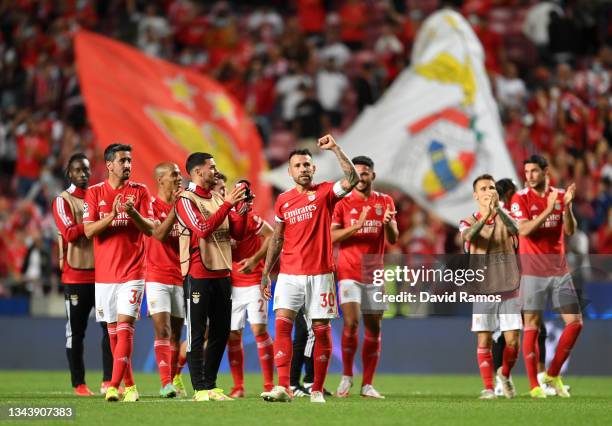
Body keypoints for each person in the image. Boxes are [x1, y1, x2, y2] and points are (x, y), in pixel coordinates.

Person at [260, 134, 359, 403]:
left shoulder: (326, 192)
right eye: (298, 166)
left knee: (320, 330)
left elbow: (352, 180)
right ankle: (284, 387)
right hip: (289, 274)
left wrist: (336, 149)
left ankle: (316, 388)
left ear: (313, 169)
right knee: (281, 326)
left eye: (307, 165)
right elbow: (277, 237)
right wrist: (267, 272)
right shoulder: (283, 200)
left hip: (320, 274)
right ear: (290, 171)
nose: (303, 169)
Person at [83, 143, 155, 402]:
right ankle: (131, 386)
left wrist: (132, 212)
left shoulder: (140, 192)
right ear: (109, 165)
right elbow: (89, 231)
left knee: (125, 328)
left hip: (133, 273)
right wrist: (112, 215)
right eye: (122, 161)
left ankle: (113, 386)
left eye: (129, 161)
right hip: (104, 277)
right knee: (113, 332)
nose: (127, 165)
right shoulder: (94, 193)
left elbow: (151, 229)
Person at [174, 152, 247, 402]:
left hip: (223, 272)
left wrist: (242, 209)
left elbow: (237, 232)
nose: (216, 171)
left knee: (221, 331)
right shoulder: (185, 199)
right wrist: (228, 204)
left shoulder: (216, 197)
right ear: (197, 172)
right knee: (197, 332)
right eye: (212, 167)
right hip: (198, 273)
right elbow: (202, 230)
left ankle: (211, 385)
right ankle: (199, 388)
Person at [510, 155, 583, 398]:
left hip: (559, 270)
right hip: (531, 271)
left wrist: (567, 208)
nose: (529, 176)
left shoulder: (561, 196)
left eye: (533, 171)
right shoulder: (520, 197)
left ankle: (552, 374)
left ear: (545, 172)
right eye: (526, 171)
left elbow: (570, 230)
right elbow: (523, 230)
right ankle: (534, 386)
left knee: (575, 322)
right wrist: (550, 209)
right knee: (531, 325)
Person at [332, 155, 398, 399]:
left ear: (373, 175)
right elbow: (331, 237)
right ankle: (347, 376)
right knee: (351, 323)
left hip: (374, 272)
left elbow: (393, 238)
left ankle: (367, 384)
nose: (361, 177)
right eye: (357, 173)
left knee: (374, 327)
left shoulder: (385, 200)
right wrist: (355, 227)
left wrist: (389, 224)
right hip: (348, 272)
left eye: (366, 173)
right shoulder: (342, 203)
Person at [52, 153, 113, 396]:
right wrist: (94, 225)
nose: (83, 174)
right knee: (76, 332)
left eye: (86, 170)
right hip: (76, 276)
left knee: (110, 329)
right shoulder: (62, 200)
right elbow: (68, 233)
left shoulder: (98, 196)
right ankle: (79, 383)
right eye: (78, 170)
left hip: (102, 275)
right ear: (69, 173)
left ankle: (108, 381)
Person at [460, 174, 522, 399]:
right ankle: (488, 388)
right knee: (484, 339)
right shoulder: (468, 221)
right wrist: (486, 216)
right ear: (476, 195)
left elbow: (517, 229)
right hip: (483, 289)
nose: (489, 191)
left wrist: (498, 212)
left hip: (508, 287)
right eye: (484, 188)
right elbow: (468, 236)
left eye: (492, 187)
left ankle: (504, 374)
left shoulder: (508, 216)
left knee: (513, 342)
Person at [227, 179, 275, 398]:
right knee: (233, 335)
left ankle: (268, 385)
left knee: (259, 330)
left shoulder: (253, 219)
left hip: (254, 281)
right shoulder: (224, 220)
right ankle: (238, 387)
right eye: (242, 196)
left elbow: (272, 235)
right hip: (231, 285)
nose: (245, 201)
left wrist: (255, 259)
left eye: (247, 197)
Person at [145, 163, 184, 398]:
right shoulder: (149, 205)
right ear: (160, 180)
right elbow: (158, 235)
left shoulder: (184, 205)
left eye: (180, 174)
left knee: (177, 336)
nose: (180, 178)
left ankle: (173, 379)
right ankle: (165, 383)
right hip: (157, 275)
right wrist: (177, 208)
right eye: (174, 175)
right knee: (163, 329)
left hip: (181, 277)